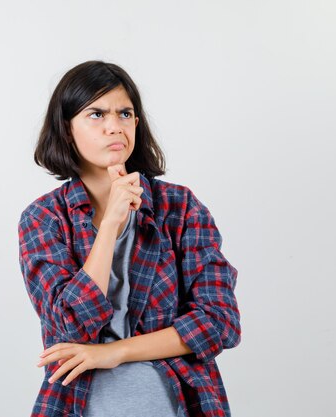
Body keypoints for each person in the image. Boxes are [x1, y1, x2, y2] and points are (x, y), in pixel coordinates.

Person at [17, 60, 241, 417]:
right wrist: (109, 226)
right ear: (66, 128)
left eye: (124, 113)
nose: (114, 127)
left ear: (136, 123)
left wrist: (114, 351)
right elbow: (71, 325)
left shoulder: (179, 208)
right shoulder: (44, 218)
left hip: (176, 403)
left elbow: (219, 322)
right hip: (77, 404)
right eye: (96, 114)